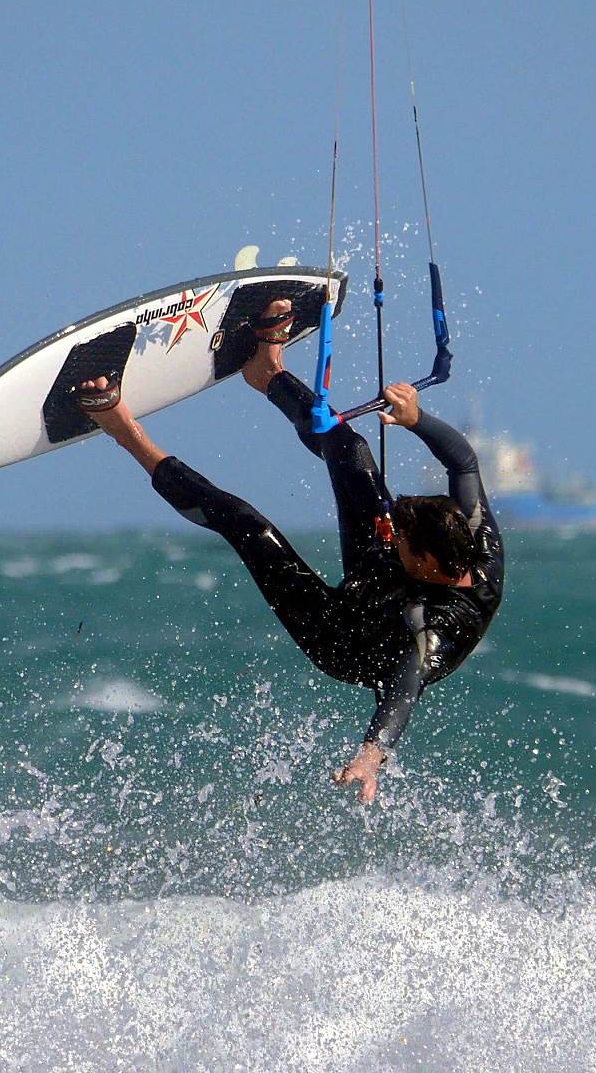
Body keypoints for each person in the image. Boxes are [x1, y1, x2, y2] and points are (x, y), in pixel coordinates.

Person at [74, 299, 503, 803]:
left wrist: (371, 754)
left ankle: (123, 430)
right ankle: (266, 371)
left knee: (248, 526)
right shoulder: (472, 534)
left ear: (429, 563)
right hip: (387, 574)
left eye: (403, 537)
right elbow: (464, 461)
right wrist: (416, 418)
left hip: (348, 635)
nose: (393, 527)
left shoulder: (425, 628)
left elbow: (403, 689)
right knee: (353, 451)